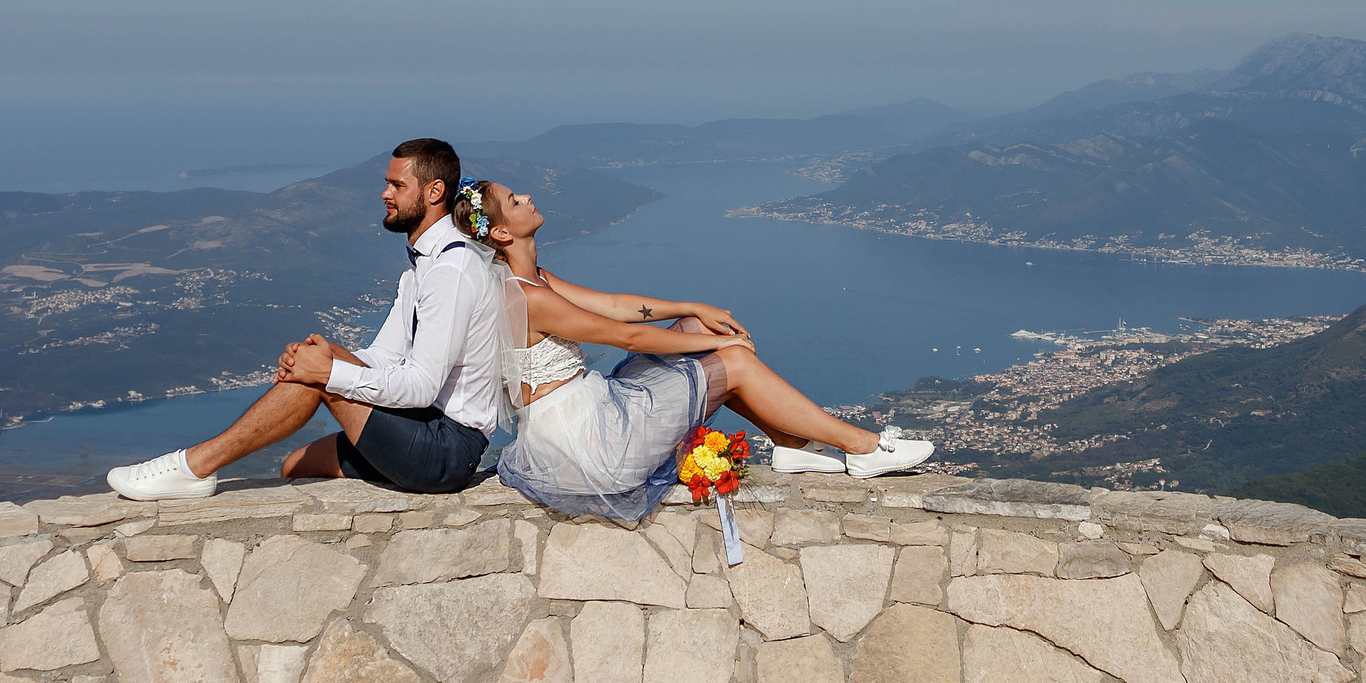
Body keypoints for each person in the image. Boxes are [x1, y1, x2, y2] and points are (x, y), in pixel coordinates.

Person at [483, 192, 932, 520]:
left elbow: (616, 306)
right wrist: (720, 347)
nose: (527, 197)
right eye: (514, 200)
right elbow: (628, 337)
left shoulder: (538, 279)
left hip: (590, 416)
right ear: (502, 232)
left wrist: (693, 308)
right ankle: (862, 447)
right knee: (732, 363)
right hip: (588, 447)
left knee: (697, 329)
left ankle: (791, 444)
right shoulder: (529, 297)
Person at [105, 137, 507, 500]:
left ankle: (192, 467)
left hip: (445, 449)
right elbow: (385, 355)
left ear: (434, 191)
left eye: (397, 185)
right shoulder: (423, 268)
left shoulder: (451, 270)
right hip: (420, 424)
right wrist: (320, 357)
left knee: (320, 375)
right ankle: (199, 464)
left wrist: (327, 373)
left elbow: (421, 386)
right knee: (296, 465)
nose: (385, 194)